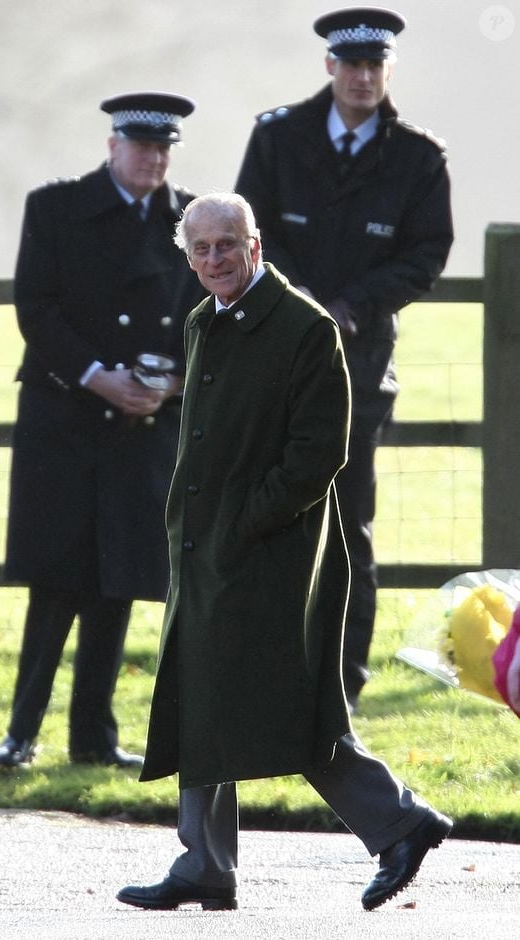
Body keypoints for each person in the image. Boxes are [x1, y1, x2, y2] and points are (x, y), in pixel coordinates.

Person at [115, 192, 452, 913]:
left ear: (255, 245)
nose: (214, 260)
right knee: (201, 691)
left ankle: (400, 821)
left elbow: (318, 453)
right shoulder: (206, 318)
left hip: (271, 554)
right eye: (200, 248)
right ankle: (204, 864)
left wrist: (244, 523)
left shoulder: (304, 325)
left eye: (227, 246)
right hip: (208, 548)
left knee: (285, 702)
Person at [235, 8, 454, 711]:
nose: (362, 77)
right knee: (266, 510)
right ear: (329, 66)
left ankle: (340, 682)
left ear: (388, 71)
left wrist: (353, 305)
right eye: (350, 64)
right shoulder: (277, 138)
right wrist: (301, 302)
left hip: (360, 363)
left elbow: (426, 255)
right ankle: (264, 668)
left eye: (374, 66)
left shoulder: (419, 157)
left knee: (348, 519)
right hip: (274, 352)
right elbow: (248, 230)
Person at [0, 92, 203, 769]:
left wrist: (168, 385)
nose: (154, 158)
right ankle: (21, 732)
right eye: (141, 145)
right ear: (112, 145)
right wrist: (95, 376)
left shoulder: (192, 220)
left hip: (145, 423)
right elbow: (37, 308)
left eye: (164, 147)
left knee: (119, 580)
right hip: (65, 416)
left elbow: (209, 313)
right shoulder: (55, 208)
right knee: (56, 580)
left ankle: (94, 738)